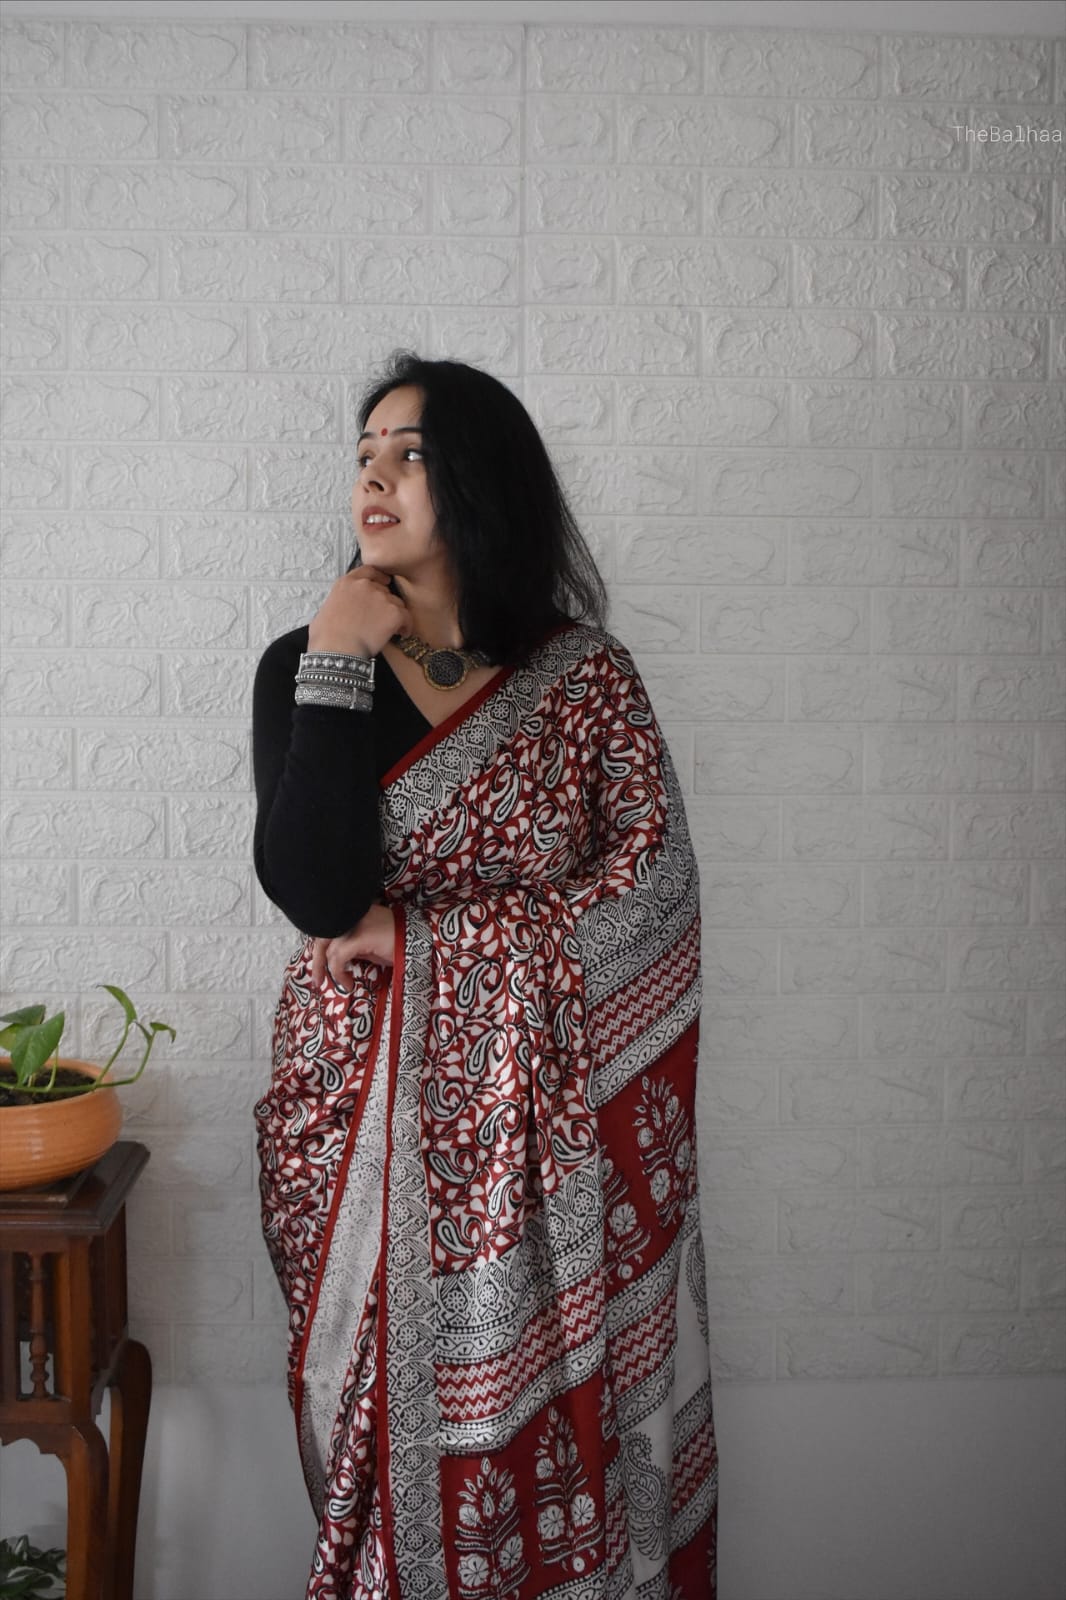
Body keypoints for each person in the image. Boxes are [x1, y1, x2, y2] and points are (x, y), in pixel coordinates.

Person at [252, 352, 718, 1600]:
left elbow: (655, 898)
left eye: (409, 454)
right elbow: (314, 892)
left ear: (481, 479)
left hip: (553, 1139)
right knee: (377, 1429)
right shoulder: (304, 663)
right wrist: (338, 655)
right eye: (365, 455)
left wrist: (426, 945)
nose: (375, 478)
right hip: (356, 1116)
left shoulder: (586, 680)